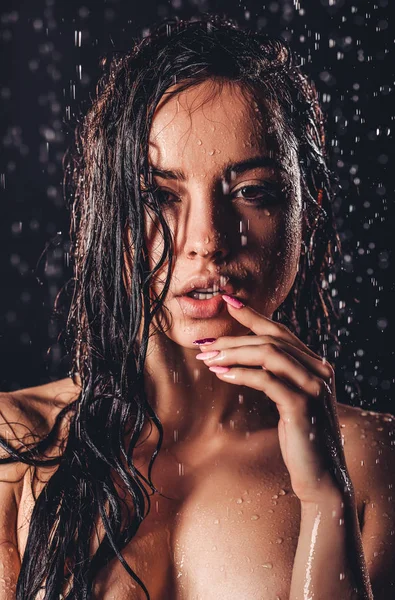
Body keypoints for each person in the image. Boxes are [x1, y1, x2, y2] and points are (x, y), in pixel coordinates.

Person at [0, 14, 393, 600]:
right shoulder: (16, 447)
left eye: (252, 192)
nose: (208, 239)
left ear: (305, 215)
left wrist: (322, 499)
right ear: (110, 216)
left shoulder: (372, 464)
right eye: (159, 196)